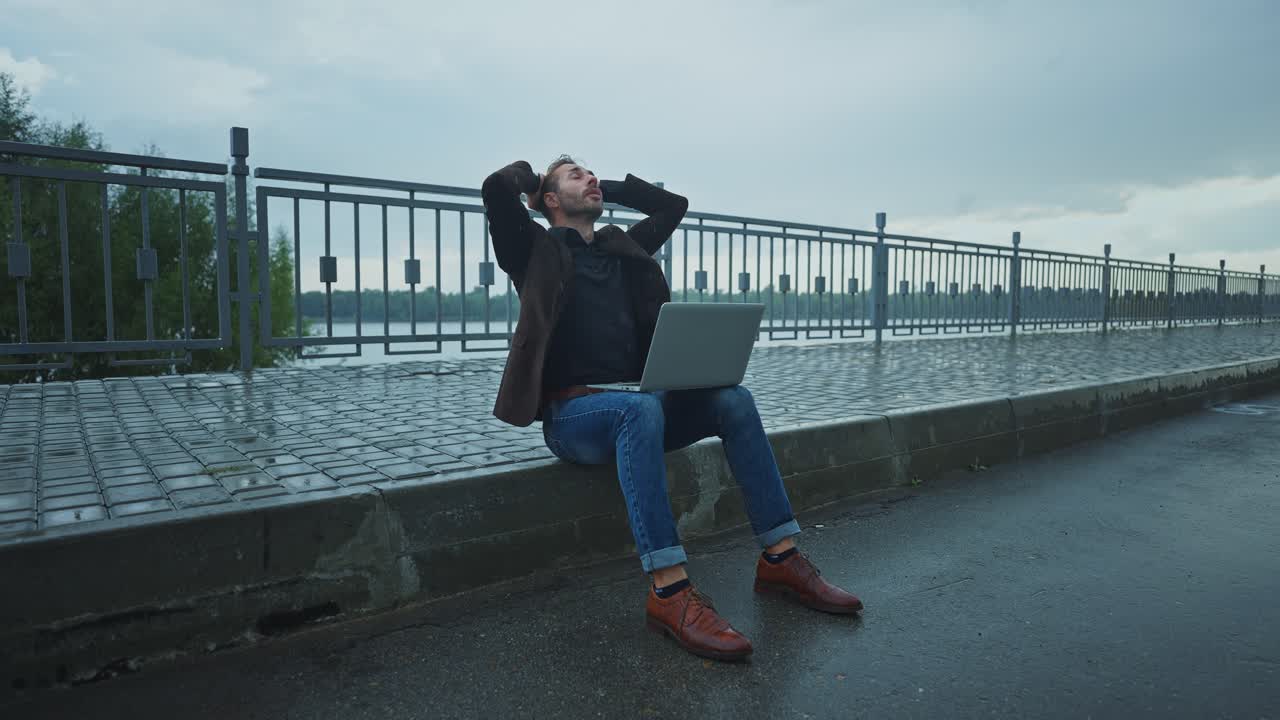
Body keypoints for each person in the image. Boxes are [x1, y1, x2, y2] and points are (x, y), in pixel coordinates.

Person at [481, 156, 863, 662]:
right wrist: (536, 181)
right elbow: (494, 189)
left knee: (734, 399)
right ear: (549, 200)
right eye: (577, 175)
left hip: (643, 406)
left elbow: (671, 205)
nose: (591, 178)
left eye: (592, 174)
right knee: (637, 412)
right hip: (575, 417)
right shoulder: (531, 248)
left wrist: (600, 186)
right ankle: (670, 592)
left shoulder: (624, 245)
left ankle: (781, 558)